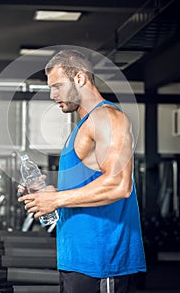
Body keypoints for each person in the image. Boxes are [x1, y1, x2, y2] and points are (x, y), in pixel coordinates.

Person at [18, 49, 146, 293]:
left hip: (103, 265)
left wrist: (56, 199)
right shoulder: (83, 126)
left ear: (79, 78)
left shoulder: (108, 118)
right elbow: (87, 187)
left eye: (57, 86)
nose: (52, 95)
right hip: (77, 262)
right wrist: (48, 194)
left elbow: (120, 185)